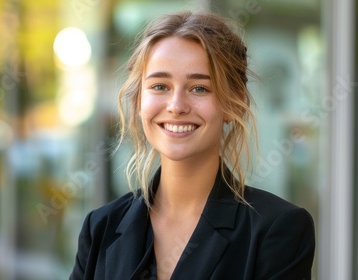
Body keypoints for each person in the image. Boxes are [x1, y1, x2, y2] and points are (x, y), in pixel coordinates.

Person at [70, 10, 315, 280]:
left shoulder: (278, 229)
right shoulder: (100, 228)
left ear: (235, 103)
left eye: (199, 88)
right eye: (160, 86)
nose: (176, 106)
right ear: (138, 100)